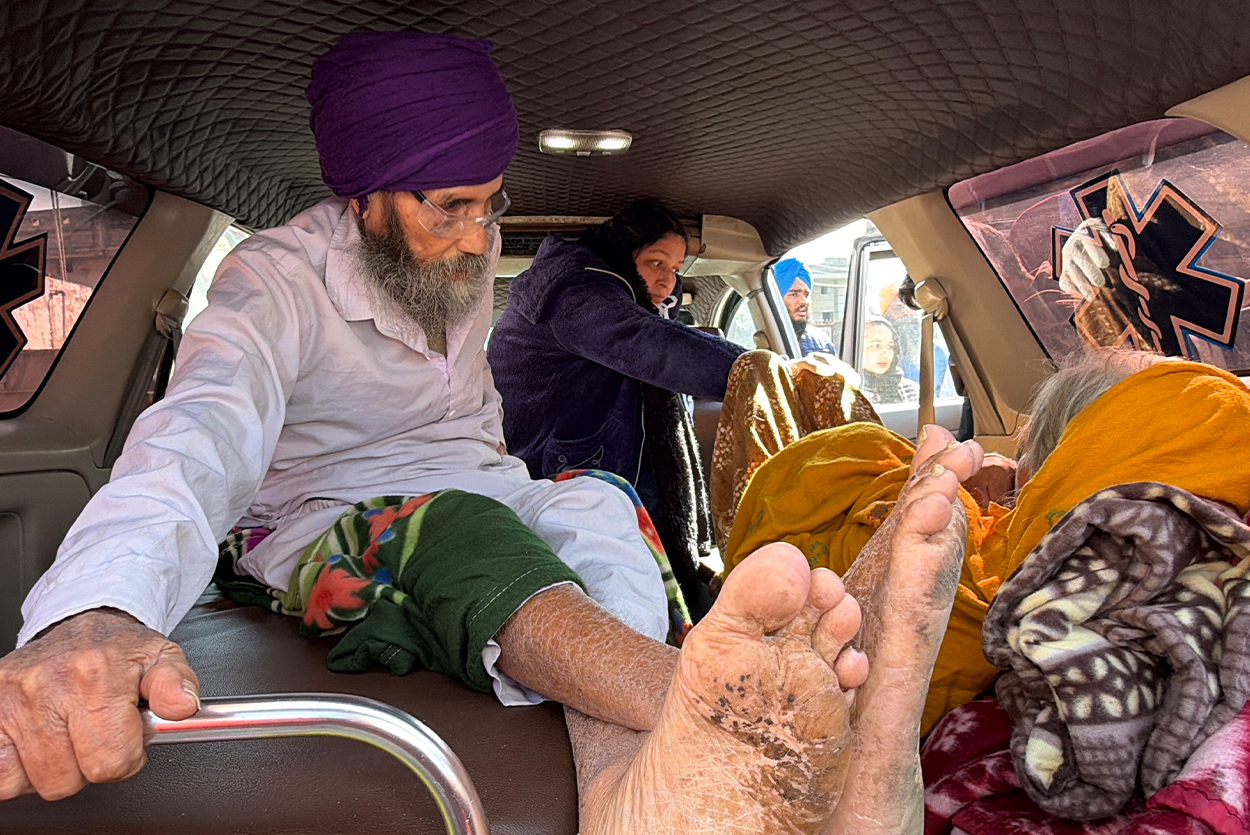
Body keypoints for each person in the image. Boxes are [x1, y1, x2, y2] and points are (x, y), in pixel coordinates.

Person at [0, 29, 987, 833]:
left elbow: (475, 434)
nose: (479, 237)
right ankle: (730, 710)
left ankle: (625, 784)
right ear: (363, 199)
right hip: (314, 520)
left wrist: (548, 500)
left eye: (490, 202)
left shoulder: (456, 258)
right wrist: (98, 613)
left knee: (601, 503)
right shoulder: (272, 281)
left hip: (476, 482)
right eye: (451, 208)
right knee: (455, 528)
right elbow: (195, 440)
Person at [720, 348, 1250, 735]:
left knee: (769, 376)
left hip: (819, 527)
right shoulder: (1212, 512)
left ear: (1061, 460)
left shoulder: (979, 573)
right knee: (812, 388)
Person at [488, 199, 746, 613]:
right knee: (611, 605)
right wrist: (757, 370)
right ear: (623, 254)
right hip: (574, 484)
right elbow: (653, 347)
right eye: (656, 262)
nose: (667, 280)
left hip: (596, 479)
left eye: (676, 269)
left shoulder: (613, 300)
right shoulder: (577, 292)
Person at [775, 257, 837, 356]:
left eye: (806, 295)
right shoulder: (764, 341)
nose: (804, 301)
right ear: (777, 299)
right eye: (794, 294)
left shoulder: (823, 344)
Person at [859, 316, 920, 404]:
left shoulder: (911, 391)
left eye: (890, 346)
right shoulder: (846, 393)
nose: (886, 354)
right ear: (858, 348)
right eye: (876, 345)